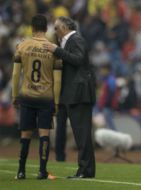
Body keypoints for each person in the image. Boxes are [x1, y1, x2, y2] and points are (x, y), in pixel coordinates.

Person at [43, 16, 96, 178]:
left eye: (57, 27)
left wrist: (56, 50)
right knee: (80, 134)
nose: (55, 30)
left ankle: (85, 170)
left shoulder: (76, 38)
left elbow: (78, 59)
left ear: (65, 27)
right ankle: (85, 170)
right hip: (72, 94)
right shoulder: (68, 41)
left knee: (82, 134)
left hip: (79, 94)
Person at [12, 14, 62, 180]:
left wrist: (15, 95)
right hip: (45, 98)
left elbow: (15, 74)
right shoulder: (52, 48)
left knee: (25, 135)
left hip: (26, 95)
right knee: (44, 134)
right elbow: (57, 79)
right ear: (46, 28)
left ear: (32, 28)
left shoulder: (22, 46)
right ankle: (42, 171)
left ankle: (20, 171)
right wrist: (56, 101)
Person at [97, 63, 119, 131]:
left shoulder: (110, 79)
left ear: (106, 70)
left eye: (102, 70)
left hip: (108, 107)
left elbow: (111, 93)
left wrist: (106, 104)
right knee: (108, 125)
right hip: (106, 106)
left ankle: (116, 139)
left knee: (110, 125)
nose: (100, 72)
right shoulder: (107, 79)